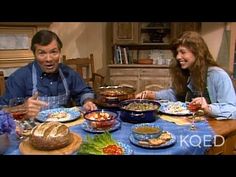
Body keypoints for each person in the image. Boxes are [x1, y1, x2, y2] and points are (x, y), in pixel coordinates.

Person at [136, 31, 236, 119]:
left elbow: (232, 109)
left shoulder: (218, 75)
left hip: (215, 128)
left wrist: (208, 108)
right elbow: (176, 94)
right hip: (192, 122)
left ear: (197, 53)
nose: (178, 57)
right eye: (177, 53)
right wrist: (153, 95)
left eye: (183, 52)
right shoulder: (188, 73)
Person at [0, 30, 97, 118]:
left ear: (59, 52)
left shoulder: (68, 73)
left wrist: (87, 101)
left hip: (64, 129)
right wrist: (22, 108)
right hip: (32, 130)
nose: (49, 59)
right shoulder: (19, 77)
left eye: (54, 52)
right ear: (34, 55)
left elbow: (84, 92)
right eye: (42, 53)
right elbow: (2, 110)